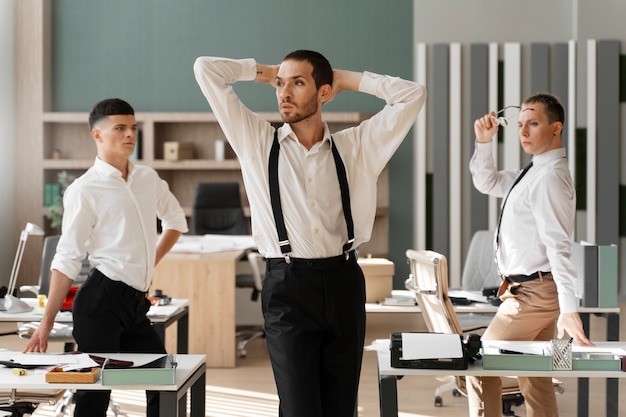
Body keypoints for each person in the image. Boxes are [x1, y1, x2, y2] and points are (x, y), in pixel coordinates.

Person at [194, 50, 426, 416]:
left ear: (325, 94)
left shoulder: (357, 146)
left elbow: (413, 94)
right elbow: (205, 69)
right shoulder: (256, 141)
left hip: (344, 283)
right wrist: (264, 72)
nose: (283, 92)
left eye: (298, 83)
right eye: (280, 84)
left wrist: (345, 78)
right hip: (287, 286)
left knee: (340, 406)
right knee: (300, 407)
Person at [23, 98, 188, 417]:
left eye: (133, 128)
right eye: (120, 128)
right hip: (100, 303)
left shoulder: (147, 179)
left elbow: (176, 222)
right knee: (95, 395)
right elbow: (67, 258)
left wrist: (147, 264)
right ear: (97, 135)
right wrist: (46, 323)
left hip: (135, 304)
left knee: (164, 380)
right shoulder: (84, 190)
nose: (130, 135)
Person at [467, 93, 593, 417]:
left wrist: (569, 309)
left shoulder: (549, 178)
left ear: (556, 128)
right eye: (520, 124)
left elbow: (558, 248)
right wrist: (483, 142)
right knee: (536, 379)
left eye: (533, 123)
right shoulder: (534, 171)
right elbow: (488, 181)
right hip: (532, 290)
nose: (523, 132)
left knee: (480, 365)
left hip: (534, 295)